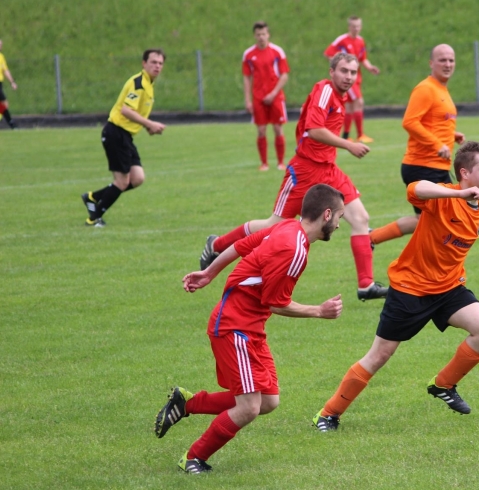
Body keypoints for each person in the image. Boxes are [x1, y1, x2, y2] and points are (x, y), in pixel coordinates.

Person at [154, 184, 346, 474]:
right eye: (339, 217)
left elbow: (241, 244)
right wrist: (319, 311)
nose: (339, 224)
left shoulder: (287, 228)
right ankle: (193, 458)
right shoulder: (293, 250)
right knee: (248, 407)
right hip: (235, 328)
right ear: (326, 214)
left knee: (268, 400)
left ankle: (188, 403)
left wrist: (209, 272)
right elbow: (276, 303)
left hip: (250, 327)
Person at [312, 141, 479, 431]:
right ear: (464, 173)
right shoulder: (444, 196)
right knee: (380, 356)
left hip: (449, 288)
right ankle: (328, 414)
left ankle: (443, 385)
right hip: (410, 289)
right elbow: (415, 188)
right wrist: (460, 192)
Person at [199, 53, 388, 301]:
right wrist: (348, 144)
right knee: (273, 226)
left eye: (353, 72)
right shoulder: (324, 90)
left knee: (361, 218)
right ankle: (217, 246)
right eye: (344, 71)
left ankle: (366, 285)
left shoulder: (341, 96)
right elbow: (314, 129)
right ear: (332, 72)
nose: (349, 76)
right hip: (305, 170)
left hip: (329, 169)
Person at [369, 44, 464, 246]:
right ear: (431, 63)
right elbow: (410, 121)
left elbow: (433, 121)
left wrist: (451, 135)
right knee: (441, 222)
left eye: (451, 60)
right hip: (423, 166)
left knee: (429, 221)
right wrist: (438, 143)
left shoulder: (442, 89)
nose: (447, 64)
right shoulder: (425, 89)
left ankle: (372, 237)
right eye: (442, 60)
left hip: (437, 167)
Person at [80, 49, 166, 227]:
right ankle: (94, 218)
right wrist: (149, 123)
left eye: (160, 63)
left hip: (125, 136)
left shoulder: (149, 84)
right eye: (153, 62)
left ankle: (92, 197)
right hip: (115, 133)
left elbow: (135, 112)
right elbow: (125, 110)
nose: (157, 66)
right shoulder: (139, 83)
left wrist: (145, 126)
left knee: (137, 178)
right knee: (122, 181)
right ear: (144, 63)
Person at [323, 16, 380, 143]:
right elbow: (328, 54)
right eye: (354, 26)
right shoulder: (342, 40)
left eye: (358, 26)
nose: (356, 28)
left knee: (349, 106)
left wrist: (370, 68)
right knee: (359, 102)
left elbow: (362, 58)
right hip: (347, 78)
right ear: (349, 27)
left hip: (356, 77)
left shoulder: (360, 41)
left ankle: (346, 135)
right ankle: (360, 135)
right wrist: (340, 67)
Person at [243, 21, 290, 171]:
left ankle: (280, 163)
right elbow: (246, 77)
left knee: (277, 129)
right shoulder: (249, 54)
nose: (261, 37)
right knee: (261, 130)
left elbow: (284, 75)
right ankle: (264, 164)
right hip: (258, 97)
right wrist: (248, 99)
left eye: (264, 34)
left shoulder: (277, 52)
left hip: (275, 96)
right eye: (258, 35)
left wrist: (273, 93)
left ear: (268, 34)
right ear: (254, 36)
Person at [0, 39, 18, 129]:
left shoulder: (1, 57)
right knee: (4, 104)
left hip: (0, 84)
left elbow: (5, 70)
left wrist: (12, 82)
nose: (1, 46)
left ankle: (11, 123)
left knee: (3, 105)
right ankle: (11, 124)